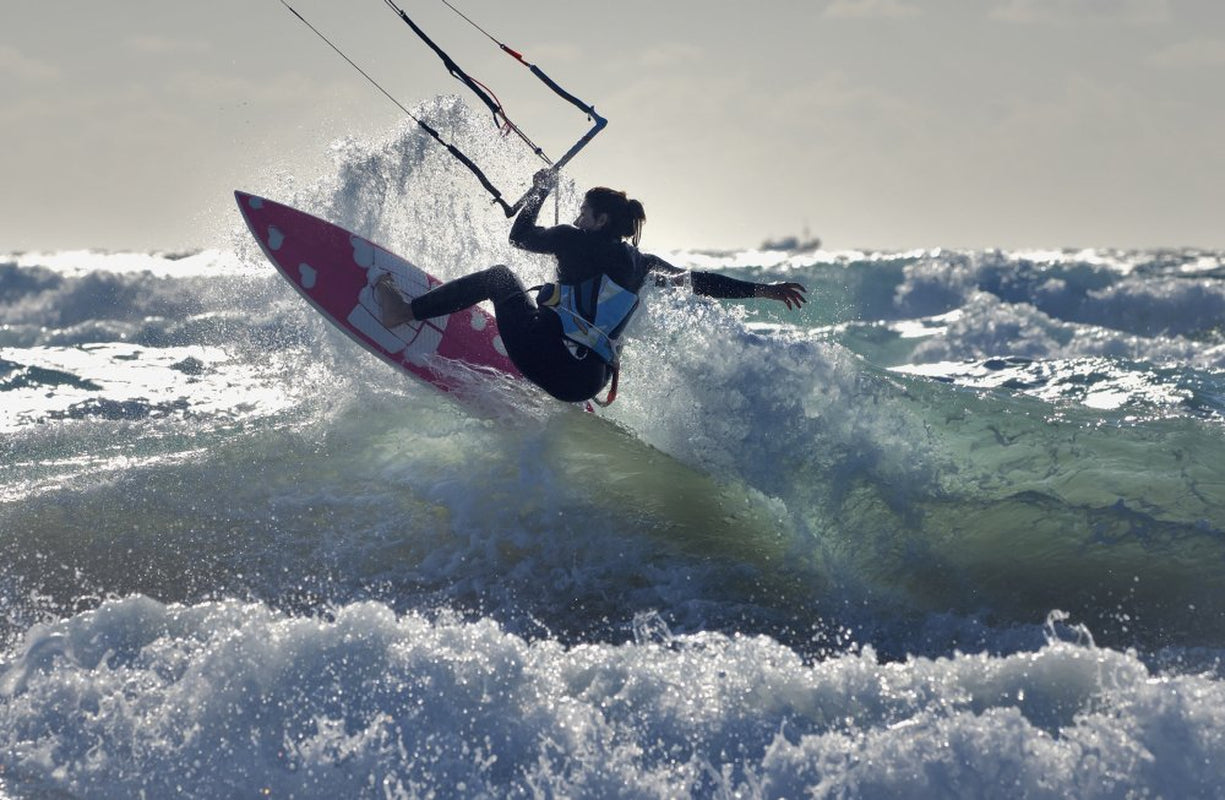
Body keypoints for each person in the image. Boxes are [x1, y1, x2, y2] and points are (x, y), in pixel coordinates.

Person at [376, 170, 808, 403]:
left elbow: (519, 237)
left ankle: (403, 312)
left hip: (546, 360)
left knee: (500, 278)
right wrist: (762, 289)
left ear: (600, 220)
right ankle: (537, 380)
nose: (579, 217)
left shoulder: (574, 239)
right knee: (557, 317)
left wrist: (539, 192)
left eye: (584, 212)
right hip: (586, 384)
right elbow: (700, 282)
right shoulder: (643, 265)